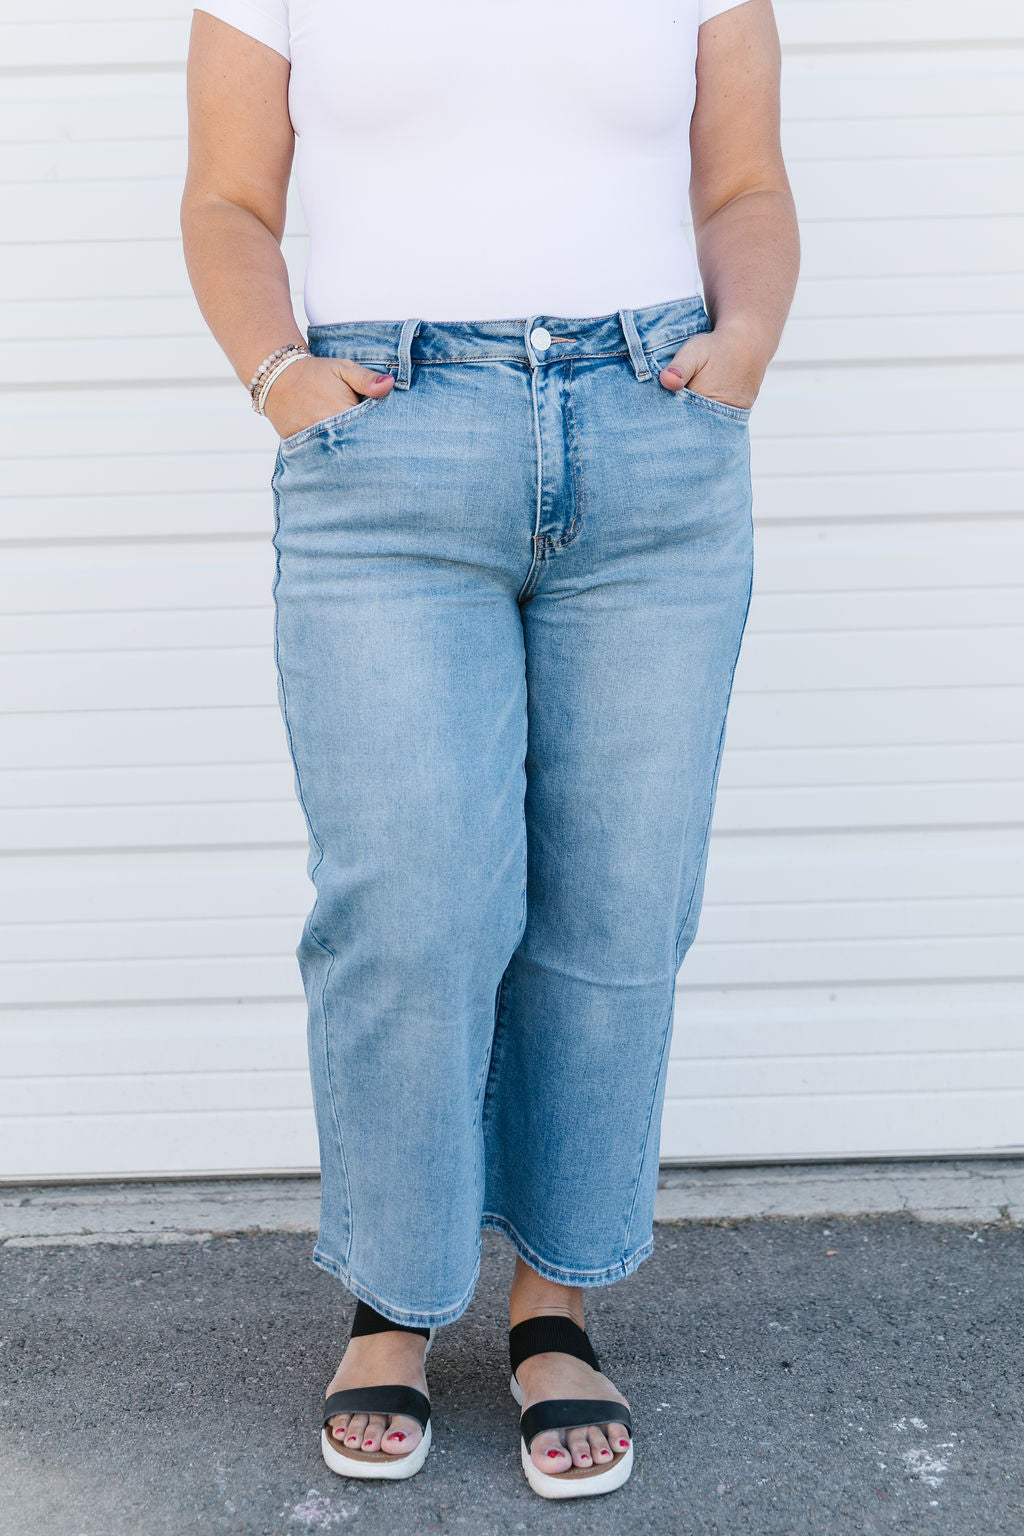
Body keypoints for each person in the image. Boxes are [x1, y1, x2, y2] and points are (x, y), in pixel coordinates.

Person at [181, 0, 798, 1500]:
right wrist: (283, 378)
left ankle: (557, 1304)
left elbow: (744, 184)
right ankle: (393, 1297)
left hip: (650, 432)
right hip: (389, 441)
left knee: (615, 906)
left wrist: (748, 345)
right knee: (415, 902)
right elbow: (228, 198)